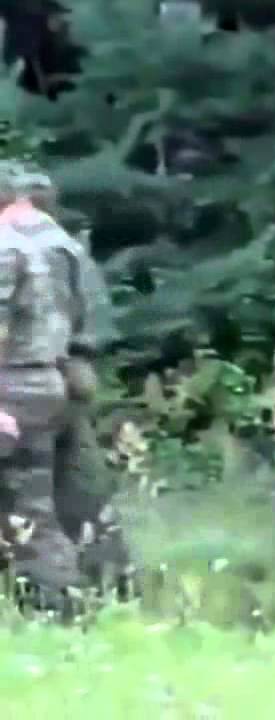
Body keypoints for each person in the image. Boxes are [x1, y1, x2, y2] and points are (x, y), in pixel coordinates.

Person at [0, 164, 126, 594]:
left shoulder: (21, 246)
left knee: (34, 502)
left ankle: (66, 594)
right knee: (72, 494)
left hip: (25, 379)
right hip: (59, 375)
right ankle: (107, 585)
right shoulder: (61, 244)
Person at [0, 173, 83, 617]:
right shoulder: (32, 246)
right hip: (38, 381)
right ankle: (60, 609)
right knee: (31, 509)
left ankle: (55, 607)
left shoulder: (4, 249)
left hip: (12, 387)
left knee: (28, 511)